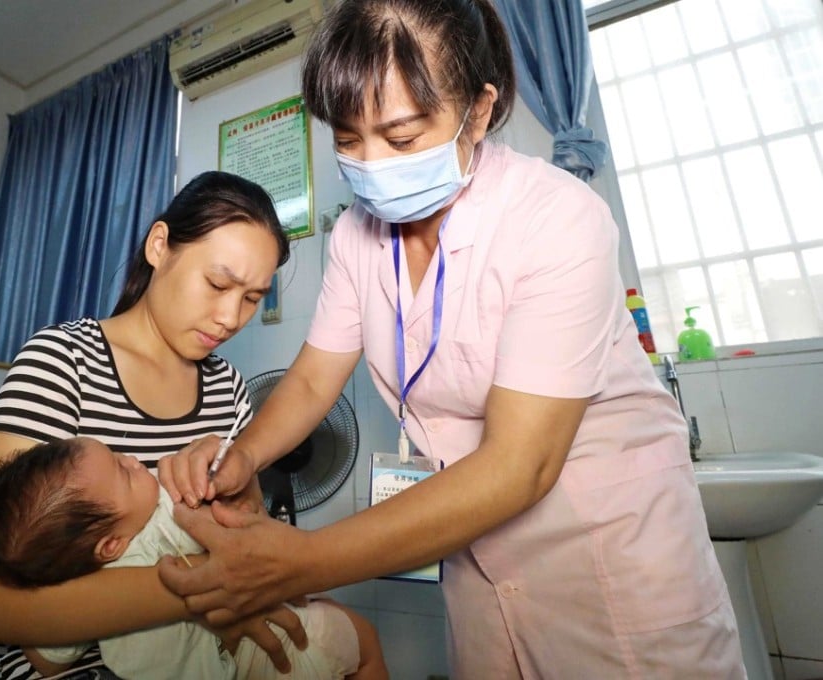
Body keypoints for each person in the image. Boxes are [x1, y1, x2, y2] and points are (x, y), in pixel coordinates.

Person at [156, 1, 747, 678]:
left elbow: (519, 465)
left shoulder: (556, 219)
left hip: (608, 544)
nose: (372, 165)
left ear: (478, 110)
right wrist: (243, 455)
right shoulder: (356, 235)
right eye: (349, 140)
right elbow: (317, 378)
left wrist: (298, 562)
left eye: (401, 137)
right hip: (475, 546)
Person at [0, 171, 314, 679]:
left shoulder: (228, 389)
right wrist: (205, 590)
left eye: (252, 297)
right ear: (160, 246)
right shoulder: (63, 363)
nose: (231, 316)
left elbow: (247, 539)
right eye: (217, 283)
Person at [0, 436, 386, 679]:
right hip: (271, 658)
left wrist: (55, 576)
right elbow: (246, 543)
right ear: (110, 546)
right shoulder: (167, 515)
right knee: (363, 640)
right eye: (123, 469)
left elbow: (45, 660)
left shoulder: (79, 592)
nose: (136, 461)